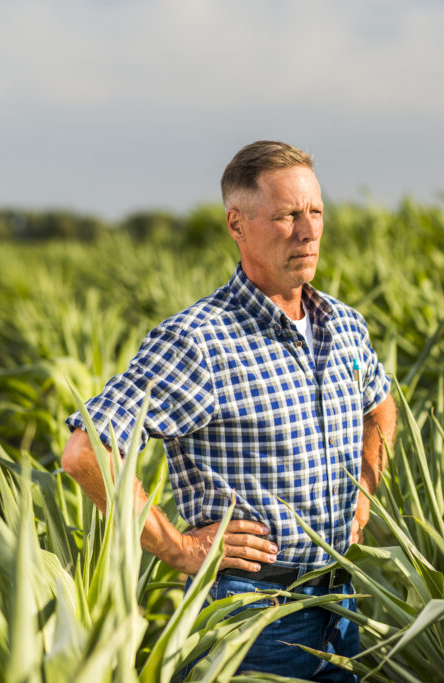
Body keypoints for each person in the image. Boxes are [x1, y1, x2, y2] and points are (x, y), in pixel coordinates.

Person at [60, 140, 397, 680]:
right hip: (251, 617)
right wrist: (178, 549)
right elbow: (84, 450)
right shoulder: (200, 340)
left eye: (315, 212)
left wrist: (362, 495)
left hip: (340, 601)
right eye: (287, 215)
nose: (308, 231)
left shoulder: (343, 324)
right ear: (237, 225)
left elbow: (381, 409)